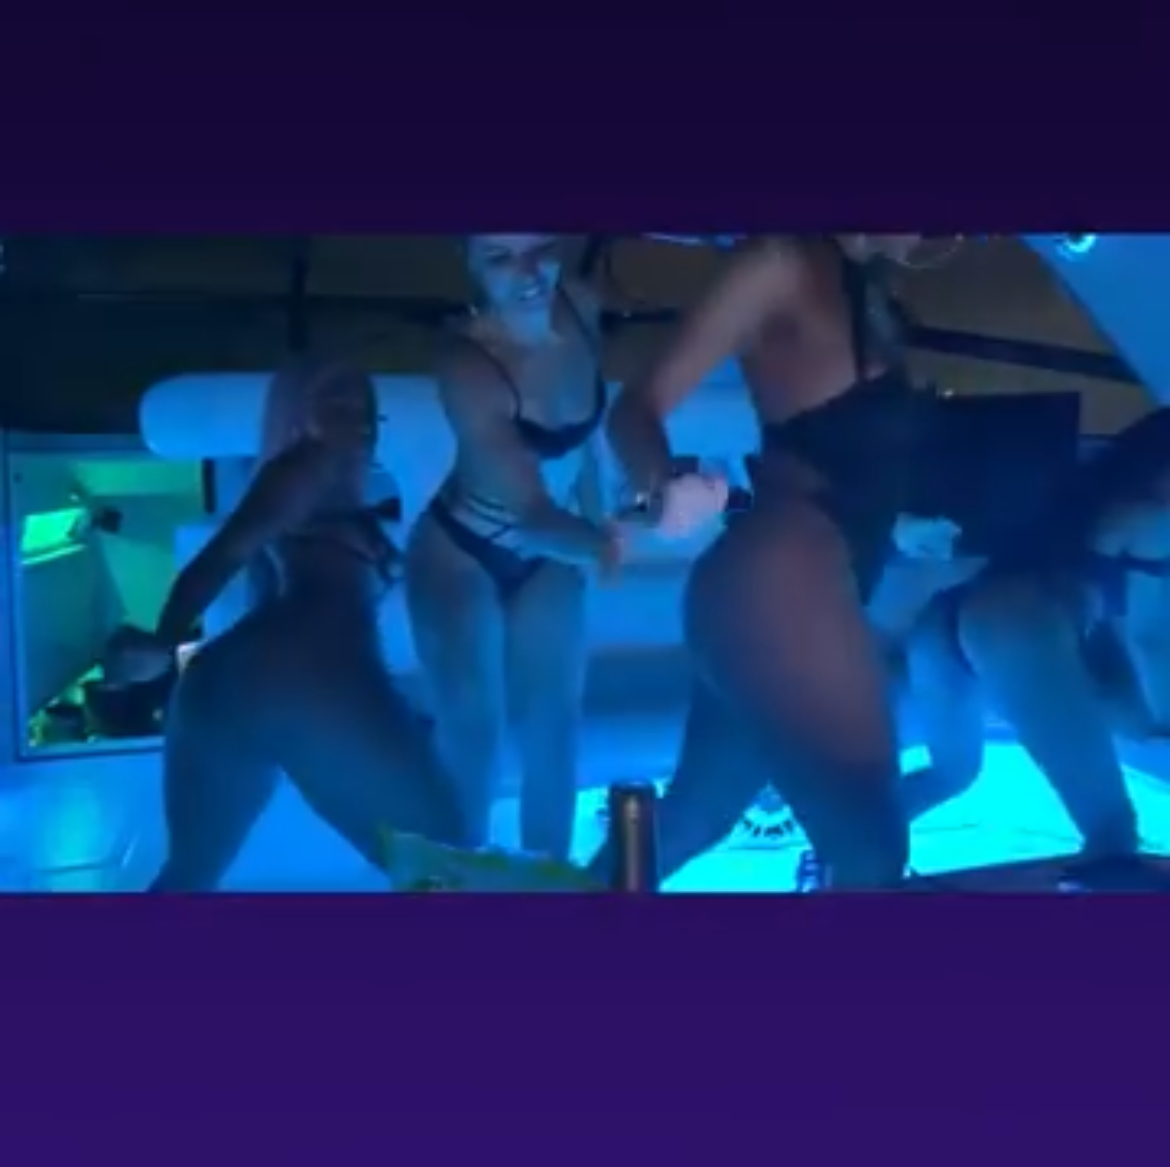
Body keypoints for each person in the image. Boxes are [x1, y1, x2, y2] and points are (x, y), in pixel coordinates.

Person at [606, 234, 927, 889]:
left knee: (693, 821)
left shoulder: (860, 277)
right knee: (869, 848)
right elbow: (634, 410)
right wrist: (663, 481)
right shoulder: (781, 262)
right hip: (780, 577)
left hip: (802, 585)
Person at [103, 358, 470, 891]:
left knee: (189, 875)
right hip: (301, 673)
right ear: (301, 416)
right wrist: (166, 636)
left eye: (366, 407)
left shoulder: (343, 485)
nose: (359, 418)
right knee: (448, 863)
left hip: (235, 682)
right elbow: (225, 554)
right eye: (337, 404)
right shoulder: (307, 467)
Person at [405, 234, 629, 859]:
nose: (528, 273)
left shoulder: (580, 306)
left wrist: (605, 512)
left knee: (555, 731)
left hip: (553, 547)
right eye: (499, 258)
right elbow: (532, 517)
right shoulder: (466, 363)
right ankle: (449, 889)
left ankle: (548, 887)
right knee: (474, 736)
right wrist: (606, 543)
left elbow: (586, 438)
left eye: (539, 247)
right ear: (468, 263)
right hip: (461, 549)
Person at [897, 406, 1170, 884]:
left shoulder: (1091, 498)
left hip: (945, 621)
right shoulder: (1156, 518)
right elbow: (1145, 638)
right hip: (1019, 622)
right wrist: (1157, 722)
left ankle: (840, 857)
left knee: (950, 775)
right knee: (1112, 832)